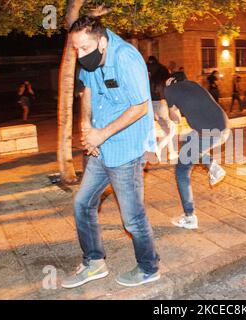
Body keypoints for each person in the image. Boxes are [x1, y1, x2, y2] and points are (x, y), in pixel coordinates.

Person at [62, 16, 160, 289]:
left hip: (126, 150)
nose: (80, 55)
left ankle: (149, 267)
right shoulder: (91, 58)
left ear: (102, 42)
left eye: (84, 48)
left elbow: (140, 106)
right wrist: (86, 126)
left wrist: (101, 134)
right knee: (82, 203)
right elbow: (88, 90)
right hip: (100, 148)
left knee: (132, 218)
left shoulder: (126, 58)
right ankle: (94, 262)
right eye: (76, 49)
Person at [163, 76, 231, 230]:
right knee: (188, 141)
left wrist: (170, 105)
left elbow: (176, 119)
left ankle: (189, 217)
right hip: (224, 127)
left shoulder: (169, 90)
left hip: (210, 133)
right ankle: (212, 165)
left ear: (169, 81)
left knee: (181, 171)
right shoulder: (193, 84)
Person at [147, 56, 178, 162]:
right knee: (172, 128)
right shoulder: (162, 70)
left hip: (150, 103)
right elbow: (169, 86)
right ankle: (158, 147)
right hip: (161, 102)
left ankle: (172, 153)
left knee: (166, 129)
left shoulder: (145, 69)